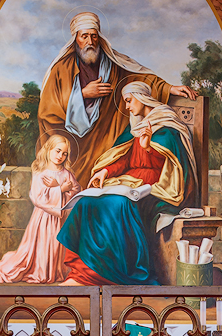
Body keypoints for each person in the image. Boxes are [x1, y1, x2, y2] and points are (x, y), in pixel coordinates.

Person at [58, 81, 198, 285]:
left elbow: (170, 166)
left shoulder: (168, 126)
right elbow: (123, 158)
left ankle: (111, 273)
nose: (127, 107)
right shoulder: (135, 126)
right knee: (86, 203)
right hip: (128, 181)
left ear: (142, 98)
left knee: (118, 205)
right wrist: (105, 171)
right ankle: (81, 271)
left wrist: (149, 147)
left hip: (153, 188)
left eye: (129, 101)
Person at [38, 11, 196, 186]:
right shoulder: (61, 69)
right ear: (75, 39)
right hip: (73, 143)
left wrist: (168, 88)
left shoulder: (113, 65)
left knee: (101, 174)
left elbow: (139, 78)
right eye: (84, 36)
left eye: (94, 36)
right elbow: (47, 110)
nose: (90, 42)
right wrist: (82, 94)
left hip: (104, 137)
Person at [0, 136, 81, 284]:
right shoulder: (40, 172)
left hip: (60, 219)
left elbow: (76, 191)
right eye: (58, 151)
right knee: (43, 245)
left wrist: (65, 190)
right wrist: (59, 188)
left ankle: (54, 272)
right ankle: (42, 271)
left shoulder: (67, 173)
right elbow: (37, 197)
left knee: (57, 247)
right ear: (49, 149)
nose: (60, 156)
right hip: (43, 218)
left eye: (65, 154)